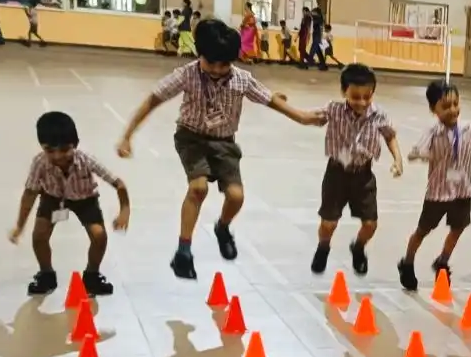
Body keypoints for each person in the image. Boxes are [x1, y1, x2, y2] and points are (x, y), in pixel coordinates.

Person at [115, 18, 318, 281]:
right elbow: (153, 100)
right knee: (198, 188)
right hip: (192, 139)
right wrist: (127, 136)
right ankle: (183, 251)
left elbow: (270, 99)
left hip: (224, 143)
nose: (217, 70)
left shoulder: (241, 79)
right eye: (211, 63)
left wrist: (302, 116)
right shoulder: (187, 74)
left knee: (236, 196)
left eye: (224, 64)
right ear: (199, 53)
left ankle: (222, 228)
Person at [398, 80, 471, 291]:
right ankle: (407, 262)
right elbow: (414, 153)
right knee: (422, 230)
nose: (453, 110)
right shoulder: (433, 132)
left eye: (456, 104)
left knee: (458, 228)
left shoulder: (469, 129)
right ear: (434, 109)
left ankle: (442, 261)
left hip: (462, 191)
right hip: (437, 193)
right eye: (446, 106)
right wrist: (420, 155)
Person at [10, 111, 131, 298]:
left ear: (75, 144)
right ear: (42, 147)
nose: (58, 156)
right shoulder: (39, 163)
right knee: (39, 235)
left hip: (85, 199)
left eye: (65, 149)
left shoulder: (87, 160)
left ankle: (92, 276)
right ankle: (46, 275)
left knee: (99, 236)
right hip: (52, 198)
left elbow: (118, 184)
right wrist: (19, 226)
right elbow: (30, 193)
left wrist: (124, 211)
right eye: (50, 150)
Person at [298, 63, 402, 275]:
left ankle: (358, 247)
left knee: (370, 224)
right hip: (336, 174)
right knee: (328, 224)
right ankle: (323, 247)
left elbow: (390, 136)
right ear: (343, 91)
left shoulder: (379, 115)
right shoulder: (334, 110)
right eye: (355, 97)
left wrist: (398, 159)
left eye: (367, 97)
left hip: (363, 176)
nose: (362, 102)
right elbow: (307, 117)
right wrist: (282, 106)